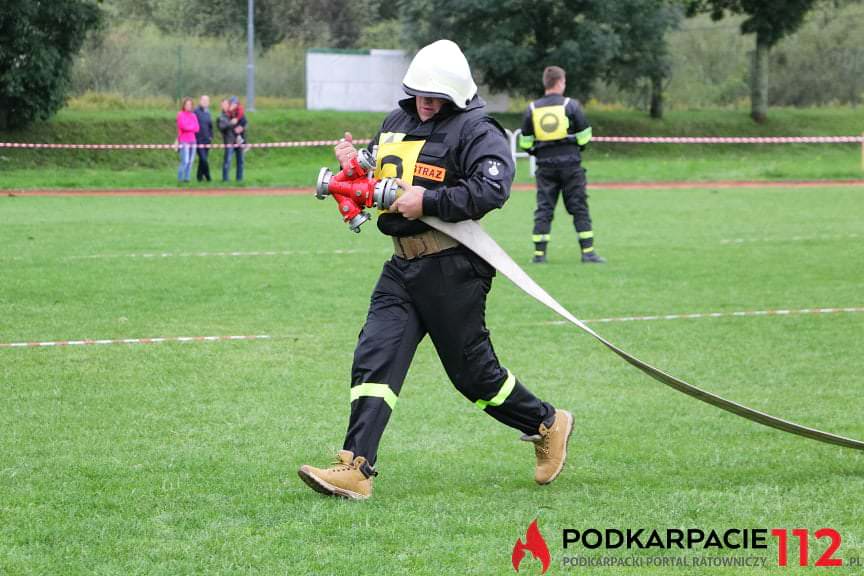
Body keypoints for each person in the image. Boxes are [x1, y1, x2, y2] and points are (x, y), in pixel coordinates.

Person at [298, 40, 573, 501]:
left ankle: (546, 423)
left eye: (434, 96)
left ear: (457, 94)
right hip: (401, 265)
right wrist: (354, 166)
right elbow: (375, 176)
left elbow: (491, 189)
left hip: (453, 268)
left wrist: (428, 200)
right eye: (418, 94)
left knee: (473, 376)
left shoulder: (477, 130)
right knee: (375, 355)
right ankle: (356, 467)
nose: (424, 104)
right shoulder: (397, 121)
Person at [519, 66, 605, 264]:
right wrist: (574, 146)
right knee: (579, 207)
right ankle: (588, 253)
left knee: (544, 209)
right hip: (571, 166)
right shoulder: (571, 105)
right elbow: (585, 137)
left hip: (544, 166)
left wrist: (538, 151)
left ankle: (539, 255)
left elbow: (524, 142)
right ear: (560, 82)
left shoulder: (533, 108)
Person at [218, 96, 247, 182]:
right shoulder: (223, 116)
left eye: (235, 104)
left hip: (239, 140)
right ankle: (225, 179)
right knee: (227, 161)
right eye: (232, 103)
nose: (233, 105)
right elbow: (222, 126)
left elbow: (245, 123)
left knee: (240, 161)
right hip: (229, 140)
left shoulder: (239, 113)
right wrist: (231, 123)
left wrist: (242, 128)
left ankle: (239, 179)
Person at [176, 97, 199, 183]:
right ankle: (180, 179)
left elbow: (197, 128)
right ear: (184, 105)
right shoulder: (180, 114)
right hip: (184, 140)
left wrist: (189, 127)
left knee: (191, 161)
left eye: (190, 104)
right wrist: (191, 127)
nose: (189, 106)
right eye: (187, 104)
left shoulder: (193, 115)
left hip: (193, 140)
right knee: (185, 161)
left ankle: (187, 179)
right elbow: (183, 126)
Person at [193, 95, 213, 182]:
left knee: (202, 160)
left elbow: (210, 126)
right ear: (200, 101)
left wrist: (211, 136)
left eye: (207, 101)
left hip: (207, 140)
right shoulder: (195, 112)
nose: (205, 102)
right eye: (203, 100)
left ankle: (199, 177)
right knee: (203, 159)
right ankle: (208, 176)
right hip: (198, 140)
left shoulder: (208, 113)